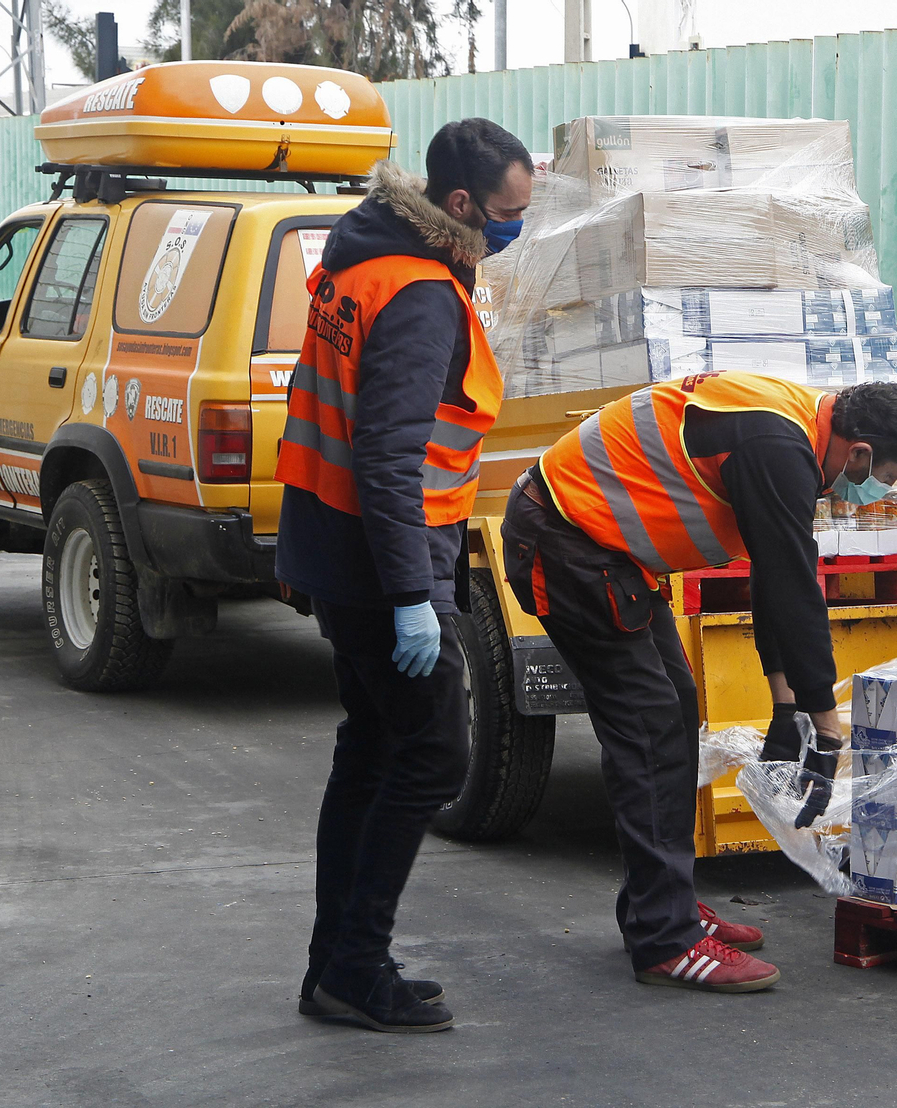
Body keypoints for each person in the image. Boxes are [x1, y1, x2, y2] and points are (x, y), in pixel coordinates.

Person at [501, 372, 897, 993]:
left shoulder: (799, 429)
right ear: (861, 451)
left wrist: (785, 704)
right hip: (566, 543)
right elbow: (794, 584)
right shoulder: (778, 446)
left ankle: (664, 902)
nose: (880, 490)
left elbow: (772, 572)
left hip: (602, 550)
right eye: (888, 477)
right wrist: (825, 721)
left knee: (676, 710)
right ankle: (666, 939)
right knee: (650, 730)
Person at [274, 118, 533, 1033]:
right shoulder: (421, 294)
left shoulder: (361, 256)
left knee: (374, 749)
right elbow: (389, 457)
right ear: (459, 206)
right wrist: (414, 599)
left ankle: (336, 966)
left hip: (336, 548)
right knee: (432, 755)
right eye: (507, 216)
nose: (515, 230)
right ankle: (354, 964)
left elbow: (317, 409)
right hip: (386, 563)